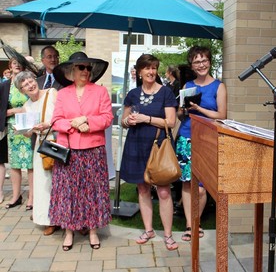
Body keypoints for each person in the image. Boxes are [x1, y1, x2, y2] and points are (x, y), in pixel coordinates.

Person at [49, 52, 113, 251]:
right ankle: (69, 232)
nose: (86, 71)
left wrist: (88, 121)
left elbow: (107, 118)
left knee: (93, 192)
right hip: (68, 152)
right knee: (68, 192)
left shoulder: (100, 92)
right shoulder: (62, 94)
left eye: (88, 68)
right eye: (81, 67)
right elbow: (55, 121)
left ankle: (93, 231)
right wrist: (73, 123)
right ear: (71, 71)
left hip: (93, 150)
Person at [119, 54, 179, 251]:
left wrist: (145, 118)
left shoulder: (166, 93)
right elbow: (123, 121)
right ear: (140, 71)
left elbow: (170, 122)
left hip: (158, 146)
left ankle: (168, 235)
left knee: (163, 191)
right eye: (147, 68)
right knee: (143, 189)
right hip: (135, 145)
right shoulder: (133, 94)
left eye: (154, 68)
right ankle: (148, 230)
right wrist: (129, 121)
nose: (151, 72)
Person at [176, 46, 227, 242]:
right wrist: (183, 110)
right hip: (187, 136)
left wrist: (198, 108)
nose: (201, 64)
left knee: (201, 187)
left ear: (209, 62)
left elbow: (222, 115)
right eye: (197, 61)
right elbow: (181, 116)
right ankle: (190, 225)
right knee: (188, 183)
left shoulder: (218, 86)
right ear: (192, 65)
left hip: (207, 140)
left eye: (204, 60)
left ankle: (197, 221)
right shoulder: (188, 85)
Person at [13, 71, 59, 236]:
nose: (30, 85)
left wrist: (48, 124)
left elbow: (64, 114)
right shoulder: (27, 106)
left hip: (59, 141)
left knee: (64, 182)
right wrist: (21, 129)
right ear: (22, 90)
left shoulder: (51, 93)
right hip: (42, 147)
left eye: (31, 81)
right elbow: (28, 133)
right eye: (25, 85)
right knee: (44, 184)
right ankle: (50, 220)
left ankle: (72, 218)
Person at [2, 57, 33, 210]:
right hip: (13, 128)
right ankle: (16, 196)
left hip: (28, 126)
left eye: (20, 64)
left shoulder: (28, 82)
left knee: (31, 164)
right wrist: (13, 111)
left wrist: (15, 110)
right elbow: (2, 109)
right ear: (10, 66)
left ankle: (32, 198)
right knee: (14, 164)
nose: (17, 66)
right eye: (14, 63)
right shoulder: (5, 85)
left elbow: (34, 104)